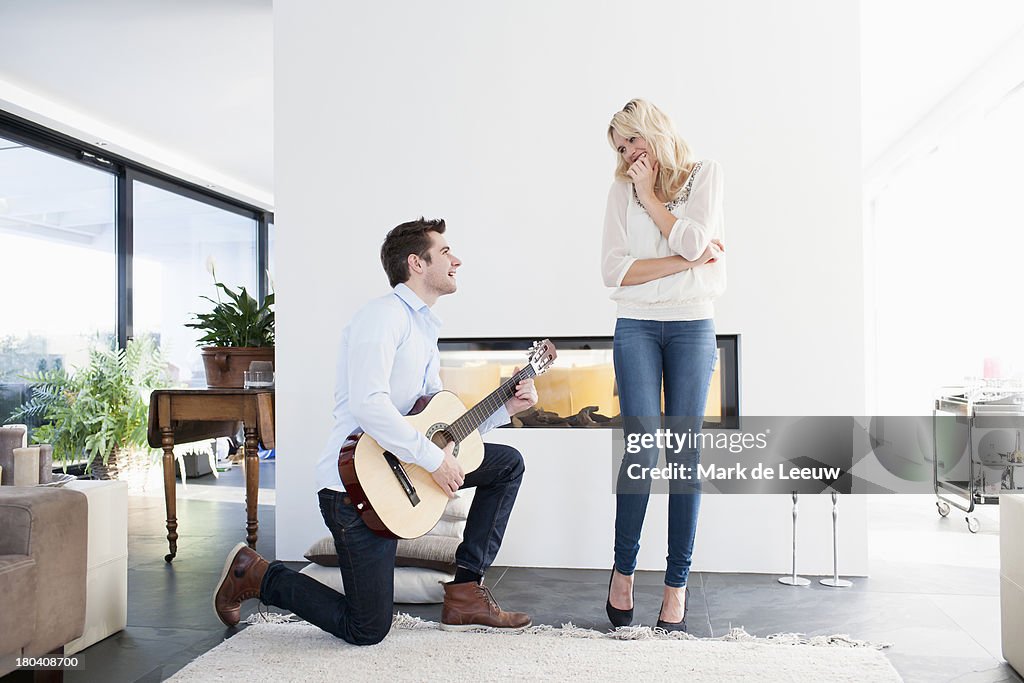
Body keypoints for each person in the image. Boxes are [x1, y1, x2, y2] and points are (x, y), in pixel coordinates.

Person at [213, 217, 538, 645]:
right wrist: (433, 460)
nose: (456, 260)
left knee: (506, 464)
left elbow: (436, 421)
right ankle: (255, 573)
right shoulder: (381, 317)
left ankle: (464, 592)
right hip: (354, 486)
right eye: (445, 252)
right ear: (416, 264)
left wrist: (503, 409)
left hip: (394, 468)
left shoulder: (425, 327)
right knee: (366, 628)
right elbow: (369, 405)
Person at [600, 99, 726, 631]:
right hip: (635, 326)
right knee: (642, 448)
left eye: (632, 140)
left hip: (693, 325)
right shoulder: (617, 191)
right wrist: (685, 262)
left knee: (684, 454)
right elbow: (613, 272)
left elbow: (697, 238)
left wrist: (652, 198)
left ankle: (676, 586)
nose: (628, 154)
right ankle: (623, 572)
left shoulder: (705, 175)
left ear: (654, 132)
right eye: (620, 147)